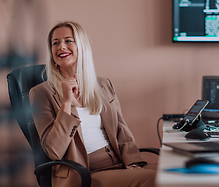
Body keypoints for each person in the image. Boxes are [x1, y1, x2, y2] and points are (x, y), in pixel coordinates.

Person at [29, 21, 156, 187]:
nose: (61, 47)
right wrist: (66, 102)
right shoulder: (41, 93)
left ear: (82, 47)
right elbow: (54, 151)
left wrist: (133, 163)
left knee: (177, 173)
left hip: (119, 164)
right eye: (55, 43)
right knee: (155, 180)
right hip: (85, 173)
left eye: (68, 40)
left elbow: (121, 129)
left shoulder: (103, 85)